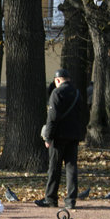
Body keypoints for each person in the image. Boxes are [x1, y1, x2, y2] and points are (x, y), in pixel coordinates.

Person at [36, 69, 83, 210]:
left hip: (59, 136)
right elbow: (84, 114)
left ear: (57, 80)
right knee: (71, 168)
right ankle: (71, 200)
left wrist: (48, 136)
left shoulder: (57, 93)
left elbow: (52, 117)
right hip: (74, 136)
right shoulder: (77, 93)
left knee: (54, 168)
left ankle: (51, 198)